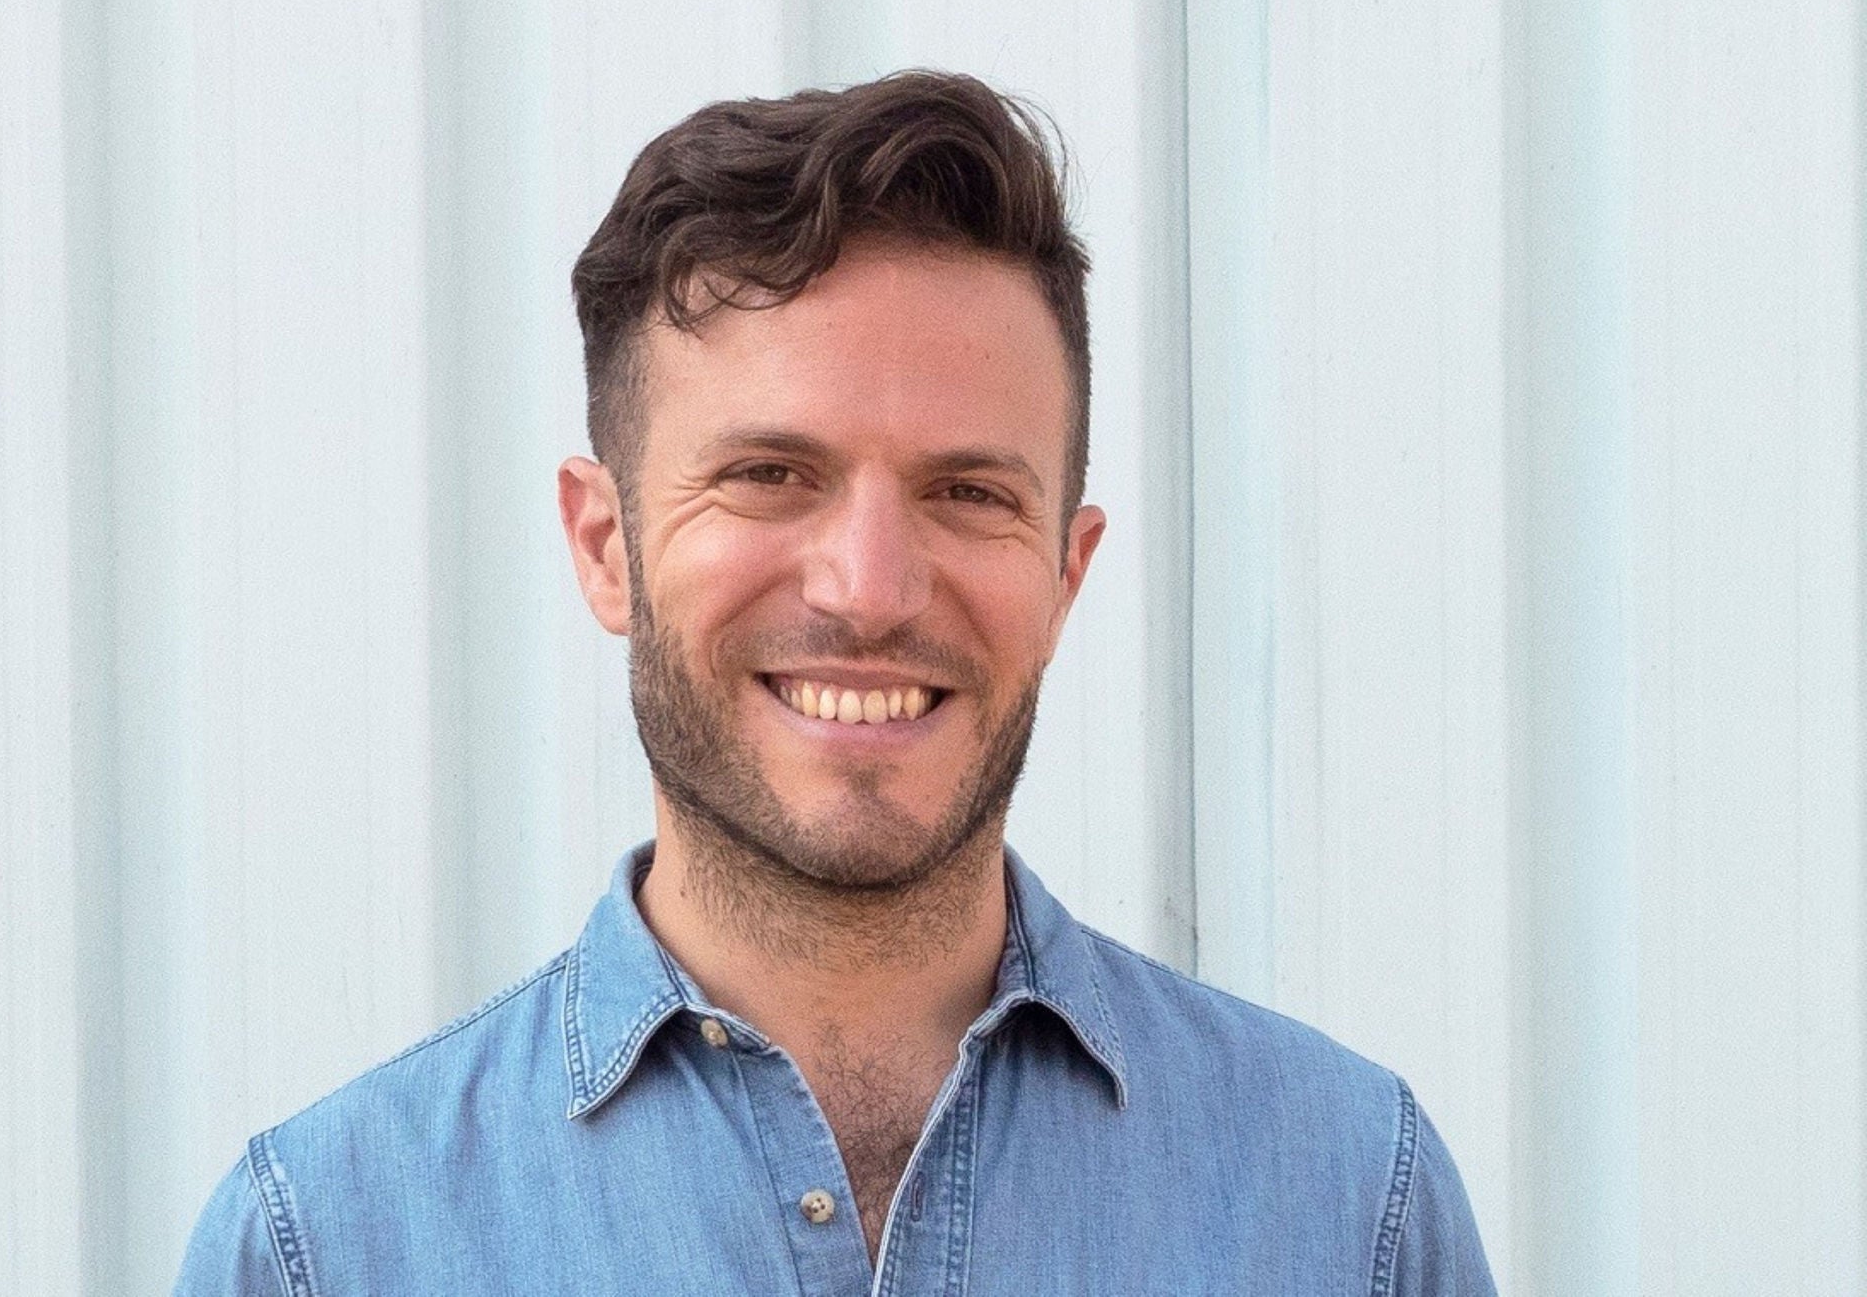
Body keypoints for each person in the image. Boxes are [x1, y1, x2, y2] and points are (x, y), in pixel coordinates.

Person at [174, 70, 1495, 1294]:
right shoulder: (329, 1244)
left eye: (968, 493)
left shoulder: (1347, 1203)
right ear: (605, 546)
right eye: (769, 476)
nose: (870, 588)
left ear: (1065, 572)